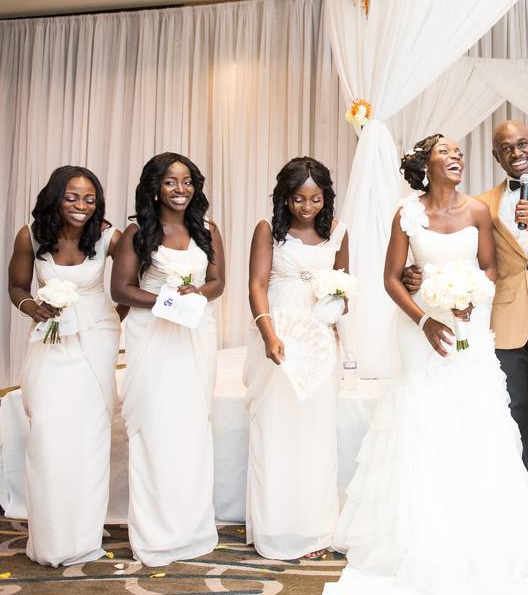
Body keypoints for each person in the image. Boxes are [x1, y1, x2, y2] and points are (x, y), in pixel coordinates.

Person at [333, 134, 528, 595]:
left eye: (460, 153)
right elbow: (391, 278)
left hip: (467, 329)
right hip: (419, 331)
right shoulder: (407, 213)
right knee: (425, 422)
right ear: (426, 164)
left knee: (473, 421)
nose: (457, 158)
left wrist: (470, 297)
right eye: (446, 152)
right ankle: (419, 535)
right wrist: (425, 317)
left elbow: (490, 268)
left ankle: (476, 535)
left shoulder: (478, 212)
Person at [402, 120, 528, 592]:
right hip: (503, 329)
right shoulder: (481, 202)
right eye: (505, 148)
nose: (516, 152)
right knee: (512, 434)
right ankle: (519, 534)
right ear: (496, 155)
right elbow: (469, 260)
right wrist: (416, 277)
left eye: (522, 144)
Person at [111, 152, 225, 566]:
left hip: (195, 337)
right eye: (171, 182)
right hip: (154, 340)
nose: (181, 190)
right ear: (154, 187)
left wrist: (198, 295)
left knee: (192, 429)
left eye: (188, 181)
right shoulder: (137, 232)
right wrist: (167, 299)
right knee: (158, 430)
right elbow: (121, 290)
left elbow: (217, 282)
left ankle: (192, 531)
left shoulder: (207, 229)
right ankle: (157, 534)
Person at [7, 166, 123, 567]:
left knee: (90, 439)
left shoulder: (109, 236)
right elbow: (17, 286)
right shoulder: (32, 234)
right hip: (51, 340)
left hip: (96, 340)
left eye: (90, 199)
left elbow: (129, 284)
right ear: (56, 197)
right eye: (73, 197)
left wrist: (110, 322)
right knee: (49, 437)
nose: (82, 206)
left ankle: (84, 535)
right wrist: (36, 309)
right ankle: (52, 538)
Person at [243, 157, 348, 560]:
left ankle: (315, 529)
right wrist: (269, 334)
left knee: (316, 433)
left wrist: (336, 306)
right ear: (284, 197)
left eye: (316, 199)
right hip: (279, 335)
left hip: (319, 340)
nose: (307, 207)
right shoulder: (269, 230)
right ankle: (276, 528)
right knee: (277, 429)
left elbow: (344, 289)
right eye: (298, 199)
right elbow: (257, 284)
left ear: (326, 198)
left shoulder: (339, 232)